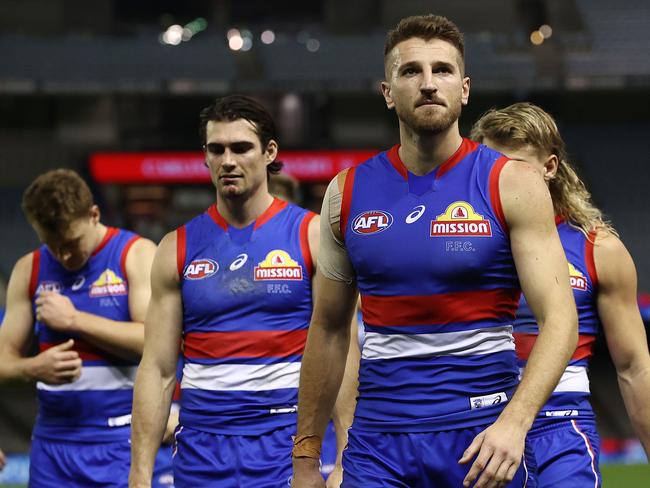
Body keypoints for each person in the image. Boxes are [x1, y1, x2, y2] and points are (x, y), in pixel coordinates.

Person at [292, 14, 579, 488]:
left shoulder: (513, 182)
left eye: (442, 70)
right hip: (377, 446)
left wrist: (515, 422)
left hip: (482, 442)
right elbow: (327, 329)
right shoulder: (346, 192)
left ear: (464, 89)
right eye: (411, 72)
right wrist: (305, 458)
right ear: (387, 92)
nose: (428, 84)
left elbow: (560, 320)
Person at [128, 95, 357, 488]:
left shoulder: (313, 235)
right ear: (204, 156)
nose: (228, 160)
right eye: (216, 149)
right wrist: (140, 473)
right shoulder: (175, 247)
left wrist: (344, 457)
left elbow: (341, 347)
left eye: (241, 148)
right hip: (201, 451)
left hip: (286, 447)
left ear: (269, 152)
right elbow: (159, 369)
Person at [471, 101, 650, 486]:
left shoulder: (597, 249)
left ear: (549, 167)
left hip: (560, 429)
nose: (502, 180)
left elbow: (635, 367)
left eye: (517, 167)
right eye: (489, 168)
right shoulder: (447, 246)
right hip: (470, 429)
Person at [0, 169, 175, 487]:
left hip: (123, 442)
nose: (64, 255)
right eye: (52, 245)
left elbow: (155, 341)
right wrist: (32, 367)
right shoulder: (30, 268)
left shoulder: (134, 254)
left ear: (94, 215)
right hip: (52, 449)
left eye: (71, 242)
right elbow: (3, 361)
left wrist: (74, 321)